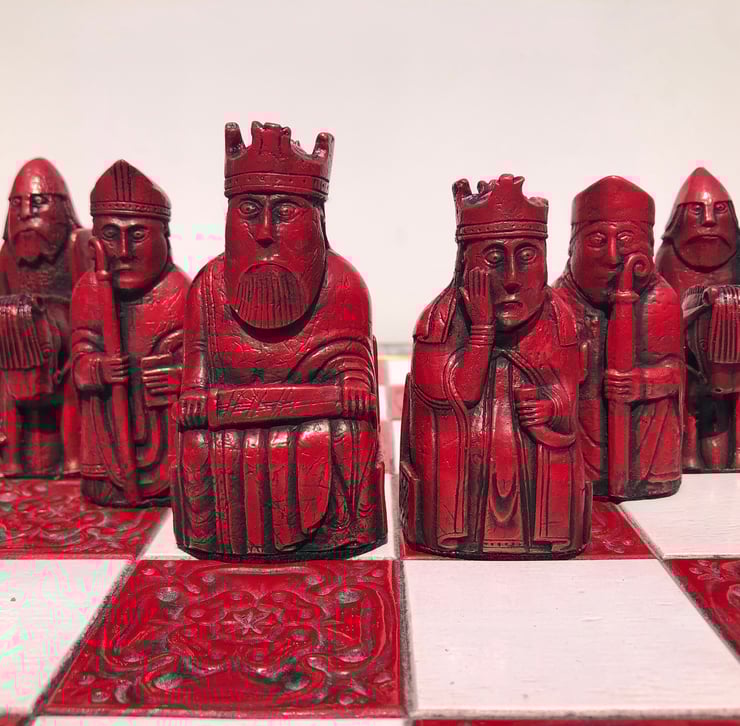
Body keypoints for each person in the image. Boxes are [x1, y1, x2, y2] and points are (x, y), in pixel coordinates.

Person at [171, 122, 386, 559]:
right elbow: (195, 381)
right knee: (196, 446)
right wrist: (194, 396)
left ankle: (337, 536)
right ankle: (221, 539)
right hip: (235, 425)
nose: (265, 230)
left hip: (304, 421)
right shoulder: (207, 287)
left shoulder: (344, 285)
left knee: (350, 437)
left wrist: (350, 388)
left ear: (317, 218)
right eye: (249, 210)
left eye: (285, 211)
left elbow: (356, 378)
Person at [400, 174, 589, 558]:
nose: (512, 279)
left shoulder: (560, 319)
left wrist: (551, 406)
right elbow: (458, 396)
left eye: (527, 256)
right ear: (465, 263)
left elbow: (570, 397)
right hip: (462, 483)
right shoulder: (438, 322)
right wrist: (482, 330)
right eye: (494, 259)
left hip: (537, 472)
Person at [553, 176, 683, 500]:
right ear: (572, 246)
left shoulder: (661, 299)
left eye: (626, 239)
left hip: (645, 445)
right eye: (597, 240)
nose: (612, 256)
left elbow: (677, 374)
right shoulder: (556, 302)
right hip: (578, 441)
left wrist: (642, 383)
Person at [70, 160, 190, 506]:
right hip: (108, 442)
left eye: (137, 235)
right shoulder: (88, 291)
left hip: (165, 439)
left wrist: (177, 377)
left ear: (164, 236)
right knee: (103, 489)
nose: (123, 251)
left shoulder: (181, 291)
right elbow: (78, 360)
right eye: (110, 235)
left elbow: (203, 366)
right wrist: (98, 369)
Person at [0, 158, 90, 477]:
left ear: (61, 207)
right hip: (18, 342)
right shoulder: (6, 255)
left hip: (69, 345)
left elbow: (89, 303)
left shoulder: (77, 244)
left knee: (75, 376)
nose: (26, 213)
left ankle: (74, 459)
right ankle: (12, 460)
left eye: (38, 202)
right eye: (17, 204)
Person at [656, 167, 740, 471]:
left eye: (719, 210)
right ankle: (686, 449)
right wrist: (702, 305)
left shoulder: (737, 257)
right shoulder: (668, 259)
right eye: (697, 210)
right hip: (687, 359)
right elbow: (666, 316)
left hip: (731, 359)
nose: (708, 220)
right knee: (684, 384)